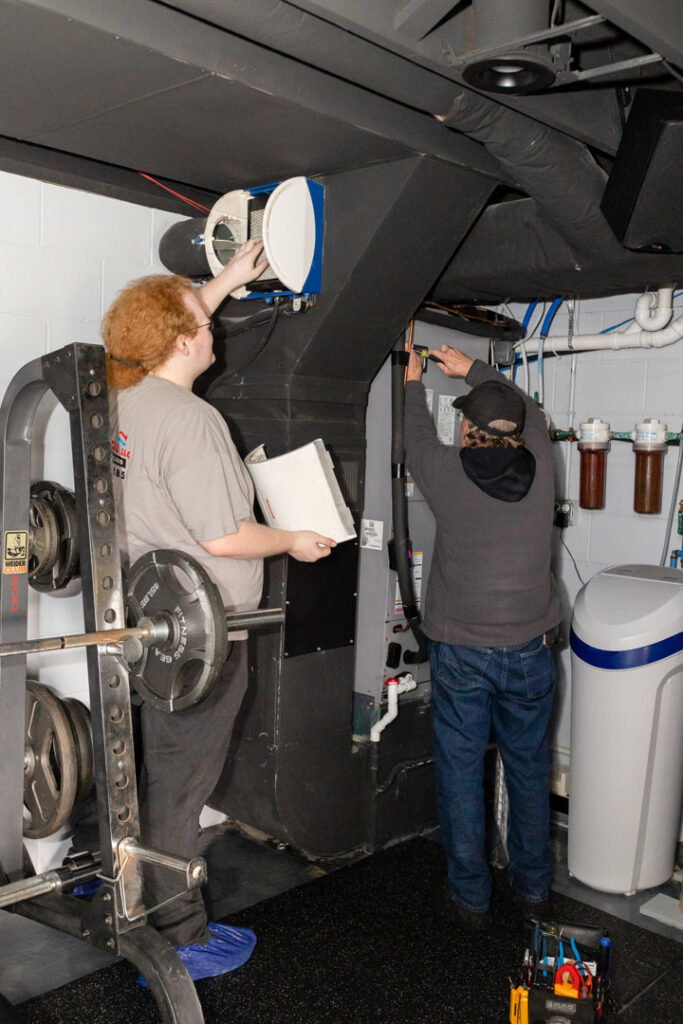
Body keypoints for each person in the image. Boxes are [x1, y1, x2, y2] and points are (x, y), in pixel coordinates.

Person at [103, 237, 336, 979]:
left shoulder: (121, 400)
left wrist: (231, 276)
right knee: (181, 786)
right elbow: (226, 537)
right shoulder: (194, 422)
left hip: (145, 622)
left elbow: (170, 321)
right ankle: (175, 939)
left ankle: (122, 897)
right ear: (183, 341)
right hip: (203, 638)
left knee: (141, 770)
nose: (216, 330)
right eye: (204, 323)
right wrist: (295, 539)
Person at [404, 343, 561, 933]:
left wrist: (415, 379)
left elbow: (415, 436)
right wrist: (475, 368)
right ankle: (535, 889)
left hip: (462, 654)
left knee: (462, 772)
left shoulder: (446, 472)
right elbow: (531, 411)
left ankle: (471, 900)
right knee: (527, 767)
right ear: (517, 433)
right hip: (530, 651)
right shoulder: (542, 460)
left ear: (467, 430)